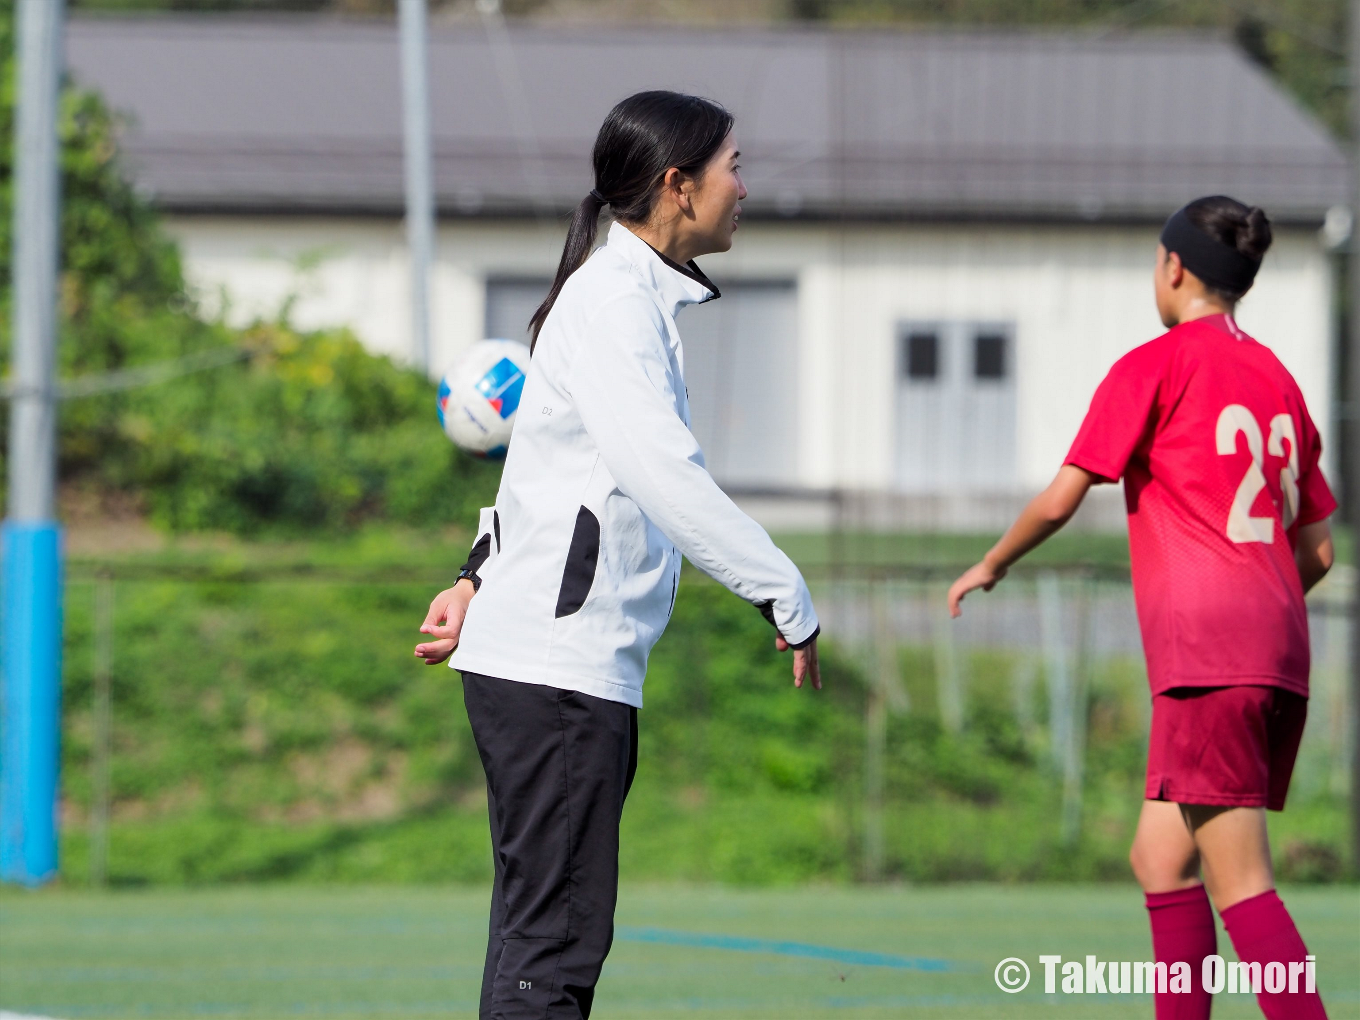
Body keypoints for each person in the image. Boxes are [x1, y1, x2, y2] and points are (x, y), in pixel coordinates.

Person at [413, 90, 821, 1020]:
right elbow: (662, 476)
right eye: (733, 167)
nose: (744, 187)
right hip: (558, 673)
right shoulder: (612, 305)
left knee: (539, 944)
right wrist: (784, 591)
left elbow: (547, 475)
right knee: (550, 953)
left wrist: (478, 575)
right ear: (677, 186)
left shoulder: (626, 298)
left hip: (562, 669)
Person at [948, 195, 1333, 1020]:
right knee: (1162, 857)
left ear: (1173, 267)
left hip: (1209, 660)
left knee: (1246, 886)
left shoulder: (1154, 365)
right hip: (1278, 652)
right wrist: (1258, 613)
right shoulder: (1279, 381)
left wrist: (991, 563)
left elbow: (1060, 500)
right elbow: (1319, 551)